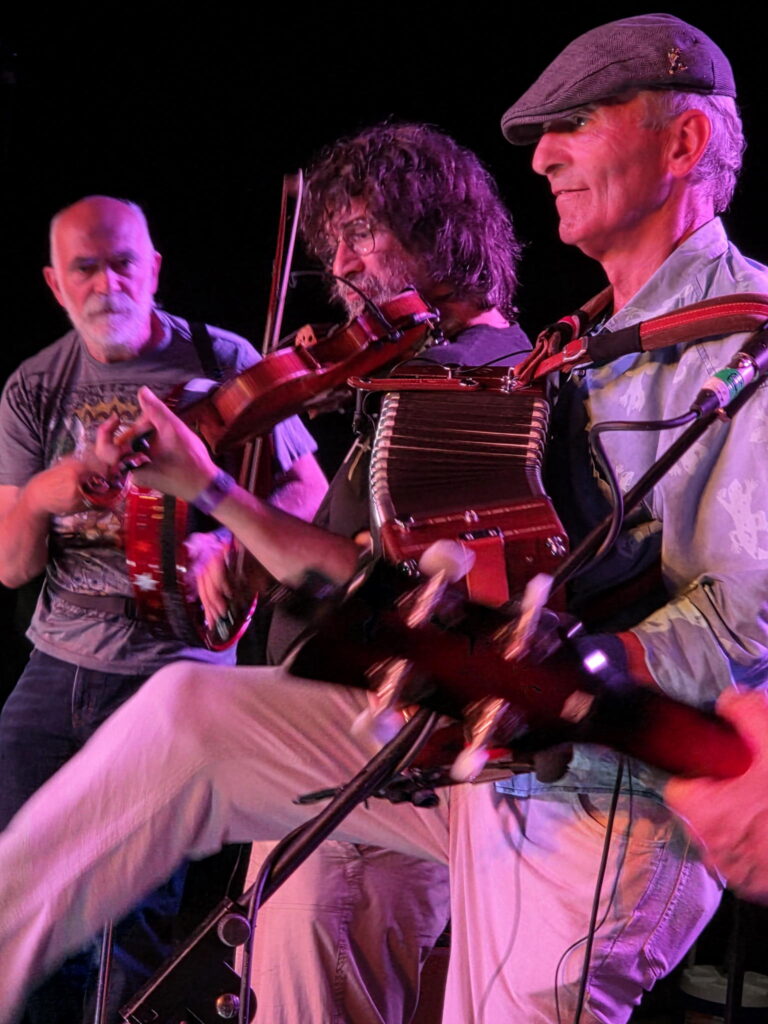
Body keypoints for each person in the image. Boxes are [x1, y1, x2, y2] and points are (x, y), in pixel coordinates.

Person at [1, 14, 767, 1021]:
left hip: (607, 792)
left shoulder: (745, 345)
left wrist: (555, 665)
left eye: (576, 123)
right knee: (187, 716)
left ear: (684, 143)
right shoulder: (581, 347)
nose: (542, 157)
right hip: (489, 751)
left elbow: (743, 625)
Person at [0, 195, 327, 1022]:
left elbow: (309, 491)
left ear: (153, 268)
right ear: (55, 283)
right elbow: (11, 567)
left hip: (172, 670)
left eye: (123, 264)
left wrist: (233, 545)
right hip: (57, 669)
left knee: (130, 924)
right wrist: (42, 494)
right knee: (23, 904)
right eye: (84, 268)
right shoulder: (34, 387)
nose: (106, 284)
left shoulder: (225, 360)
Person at [249, 122, 529, 1024]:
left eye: (363, 233)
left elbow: (408, 594)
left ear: (441, 231)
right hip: (328, 777)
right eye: (333, 243)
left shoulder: (482, 385)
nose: (341, 266)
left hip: (373, 786)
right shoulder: (406, 383)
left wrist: (222, 500)